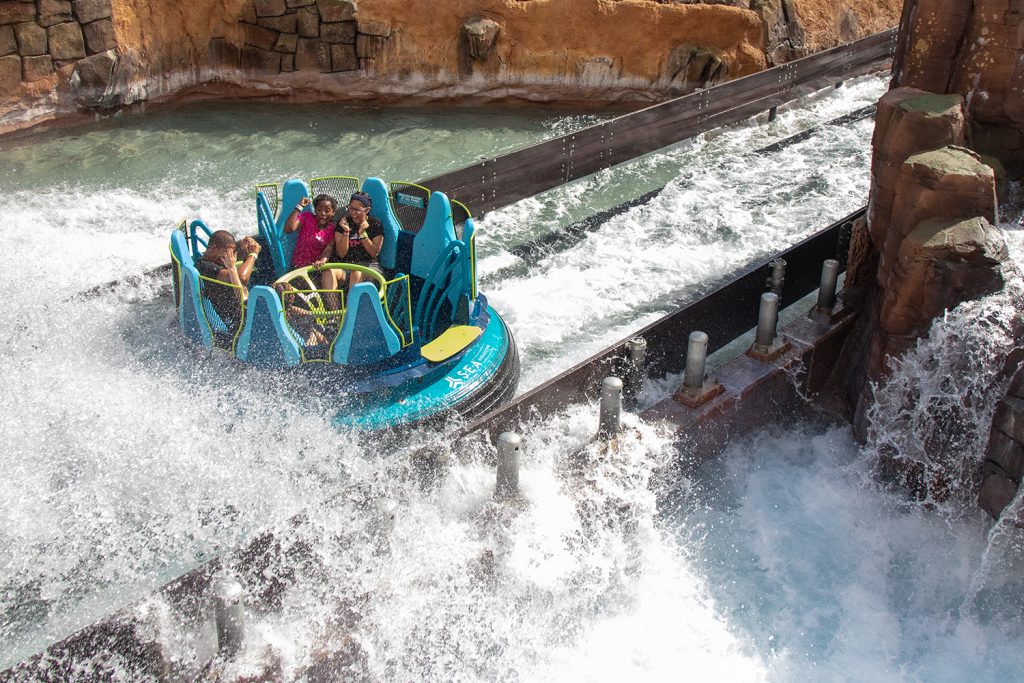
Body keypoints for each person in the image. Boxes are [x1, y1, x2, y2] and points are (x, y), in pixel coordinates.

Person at [194, 230, 260, 327]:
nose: (229, 256)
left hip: (242, 314)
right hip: (240, 322)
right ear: (213, 248)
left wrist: (245, 249)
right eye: (227, 251)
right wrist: (253, 255)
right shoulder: (205, 267)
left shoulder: (215, 262)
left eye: (231, 252)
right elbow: (241, 278)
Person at [321, 191, 385, 292]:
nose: (353, 213)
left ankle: (351, 302)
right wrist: (346, 232)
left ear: (367, 210)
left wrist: (363, 234)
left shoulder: (375, 224)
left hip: (369, 266)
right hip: (346, 265)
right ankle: (333, 302)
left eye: (357, 210)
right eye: (351, 208)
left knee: (356, 273)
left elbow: (374, 253)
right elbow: (341, 254)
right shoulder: (343, 223)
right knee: (328, 272)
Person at [283, 193, 338, 270]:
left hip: (315, 268)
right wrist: (299, 207)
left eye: (327, 211)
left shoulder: (332, 228)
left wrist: (322, 260)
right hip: (297, 268)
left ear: (333, 212)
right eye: (319, 210)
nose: (323, 213)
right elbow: (288, 229)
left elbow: (329, 247)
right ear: (315, 210)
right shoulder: (307, 217)